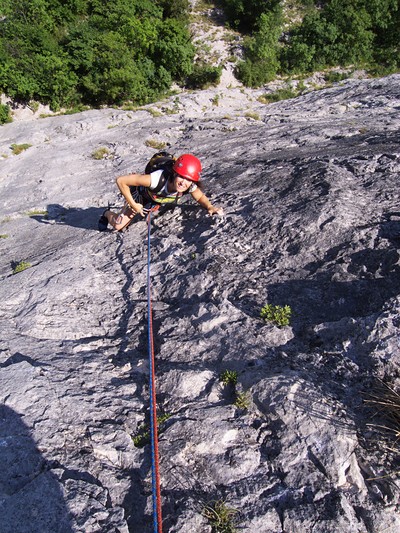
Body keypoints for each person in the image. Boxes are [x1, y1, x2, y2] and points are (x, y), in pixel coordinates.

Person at [98, 153, 224, 232]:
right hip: (141, 194)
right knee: (118, 225)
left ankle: (154, 204)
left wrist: (210, 207)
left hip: (156, 197)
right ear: (174, 173)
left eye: (189, 180)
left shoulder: (189, 185)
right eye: (181, 177)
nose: (183, 183)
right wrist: (134, 204)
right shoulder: (156, 179)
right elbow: (121, 181)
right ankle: (106, 213)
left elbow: (200, 196)